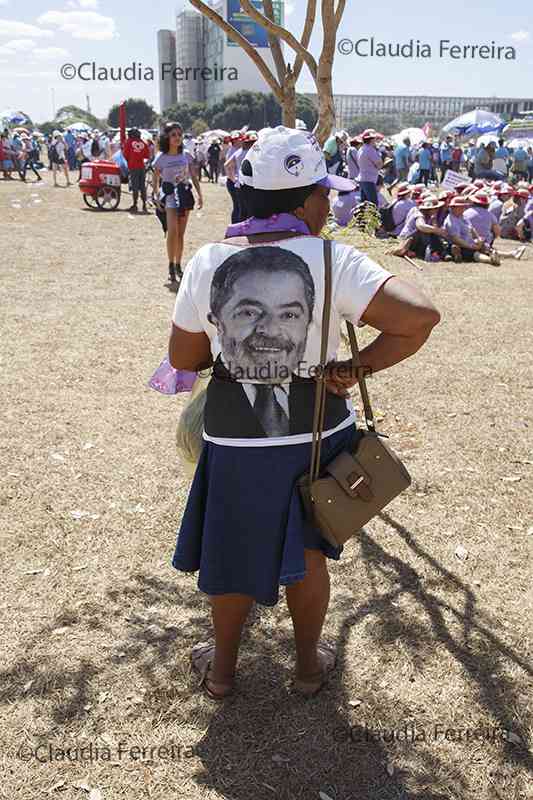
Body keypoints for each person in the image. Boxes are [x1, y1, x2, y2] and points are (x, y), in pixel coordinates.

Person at [167, 125, 440, 699]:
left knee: (232, 548)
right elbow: (418, 317)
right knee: (309, 552)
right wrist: (355, 367)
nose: (330, 203)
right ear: (304, 200)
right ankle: (309, 669)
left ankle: (220, 673)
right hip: (317, 434)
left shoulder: (209, 260)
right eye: (324, 194)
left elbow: (184, 358)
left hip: (236, 439)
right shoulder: (332, 259)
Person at [153, 122, 203, 288]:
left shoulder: (186, 155)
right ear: (167, 137)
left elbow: (193, 176)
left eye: (179, 134)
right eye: (173, 135)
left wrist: (200, 194)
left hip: (184, 195)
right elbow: (156, 176)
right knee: (172, 232)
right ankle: (170, 264)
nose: (177, 138)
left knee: (181, 234)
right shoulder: (161, 157)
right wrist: (155, 194)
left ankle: (178, 264)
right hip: (169, 196)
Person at [463, 192, 524, 259]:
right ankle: (511, 254)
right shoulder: (490, 215)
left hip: (467, 242)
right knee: (487, 247)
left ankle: (512, 254)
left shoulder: (465, 213)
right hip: (484, 242)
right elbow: (497, 232)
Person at [443, 196, 499, 265]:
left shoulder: (463, 217)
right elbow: (456, 239)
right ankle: (490, 260)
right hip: (460, 244)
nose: (463, 209)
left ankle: (491, 254)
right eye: (460, 207)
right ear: (453, 208)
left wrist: (478, 239)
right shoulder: (451, 222)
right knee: (472, 253)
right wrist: (471, 246)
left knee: (484, 247)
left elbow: (472, 229)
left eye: (463, 207)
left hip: (469, 242)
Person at [123, 128, 151, 214]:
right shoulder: (143, 143)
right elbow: (147, 155)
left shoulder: (129, 142)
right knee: (142, 186)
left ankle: (135, 204)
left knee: (134, 186)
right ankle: (144, 205)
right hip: (141, 166)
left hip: (133, 166)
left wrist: (129, 160)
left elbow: (125, 154)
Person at [357, 129, 383, 206]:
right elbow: (379, 165)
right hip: (369, 180)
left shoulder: (361, 149)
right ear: (371, 139)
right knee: (373, 205)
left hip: (362, 179)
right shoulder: (370, 150)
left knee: (363, 205)